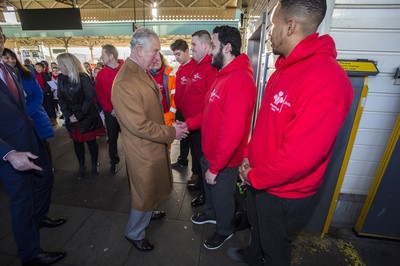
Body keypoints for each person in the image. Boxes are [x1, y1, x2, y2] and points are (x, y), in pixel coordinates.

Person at [228, 1, 354, 265]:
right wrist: (249, 156)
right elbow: (265, 123)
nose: (271, 32)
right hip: (260, 178)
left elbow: (300, 157)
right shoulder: (284, 69)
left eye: (274, 25)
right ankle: (253, 255)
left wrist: (255, 176)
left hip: (284, 192)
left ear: (290, 26)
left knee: (276, 246)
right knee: (258, 228)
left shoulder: (326, 80)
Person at [111, 28, 188, 252]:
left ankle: (150, 212)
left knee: (151, 187)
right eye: (154, 51)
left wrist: (169, 126)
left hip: (151, 143)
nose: (157, 56)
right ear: (138, 50)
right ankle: (134, 232)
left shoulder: (139, 71)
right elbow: (139, 125)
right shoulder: (126, 80)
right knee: (143, 192)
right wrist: (172, 132)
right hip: (143, 147)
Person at [0, 27, 66, 266]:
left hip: (30, 140)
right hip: (9, 151)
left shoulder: (9, 70)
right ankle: (30, 254)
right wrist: (7, 153)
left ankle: (38, 218)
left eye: (0, 38)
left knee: (45, 179)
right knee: (21, 201)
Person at [191, 25, 256, 250]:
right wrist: (187, 124)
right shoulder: (222, 75)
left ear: (227, 48)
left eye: (214, 46)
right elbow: (210, 113)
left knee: (223, 197)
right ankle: (210, 215)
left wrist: (216, 167)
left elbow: (233, 132)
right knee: (211, 194)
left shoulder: (239, 80)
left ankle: (224, 230)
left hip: (225, 160)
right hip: (210, 152)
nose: (210, 52)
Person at [174, 30, 217, 207]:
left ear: (206, 45)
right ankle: (200, 185)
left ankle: (206, 197)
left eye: (193, 45)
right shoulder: (197, 65)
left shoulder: (210, 68)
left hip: (201, 125)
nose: (191, 49)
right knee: (197, 157)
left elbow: (211, 104)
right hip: (191, 122)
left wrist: (193, 121)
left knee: (202, 159)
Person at [2, 48, 55, 167]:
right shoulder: (3, 79)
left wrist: (27, 112)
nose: (11, 60)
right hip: (15, 124)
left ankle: (48, 167)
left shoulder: (27, 75)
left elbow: (38, 94)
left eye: (13, 57)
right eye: (6, 58)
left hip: (35, 116)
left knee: (42, 146)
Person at [57, 53, 105, 178]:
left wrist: (78, 115)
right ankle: (81, 165)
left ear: (68, 64)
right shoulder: (61, 78)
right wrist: (68, 115)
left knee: (91, 142)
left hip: (86, 116)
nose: (59, 66)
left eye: (61, 64)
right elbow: (61, 98)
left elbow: (90, 98)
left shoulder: (83, 77)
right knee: (77, 143)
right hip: (72, 117)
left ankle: (95, 164)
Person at [95, 44, 124, 174]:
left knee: (130, 137)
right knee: (112, 138)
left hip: (127, 112)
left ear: (111, 56)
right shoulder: (101, 74)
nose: (101, 57)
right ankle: (114, 161)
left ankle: (133, 161)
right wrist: (110, 109)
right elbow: (99, 93)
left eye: (103, 54)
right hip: (110, 113)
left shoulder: (126, 70)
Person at [169, 39, 196, 170]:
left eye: (178, 54)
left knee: (193, 142)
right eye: (175, 55)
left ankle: (195, 171)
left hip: (191, 113)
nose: (177, 57)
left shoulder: (195, 67)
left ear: (187, 51)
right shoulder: (180, 68)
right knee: (182, 138)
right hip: (180, 110)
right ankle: (182, 160)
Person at [149, 52, 176, 126]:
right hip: (150, 117)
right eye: (152, 61)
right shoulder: (144, 75)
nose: (155, 62)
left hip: (166, 115)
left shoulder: (169, 75)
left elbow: (174, 97)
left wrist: (171, 115)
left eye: (157, 60)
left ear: (162, 60)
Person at [35, 62, 58, 126]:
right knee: (45, 107)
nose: (37, 69)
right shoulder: (36, 75)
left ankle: (54, 119)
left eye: (39, 67)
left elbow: (48, 85)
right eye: (36, 67)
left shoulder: (46, 75)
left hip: (47, 94)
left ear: (43, 68)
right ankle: (49, 119)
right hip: (41, 94)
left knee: (51, 107)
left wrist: (43, 93)